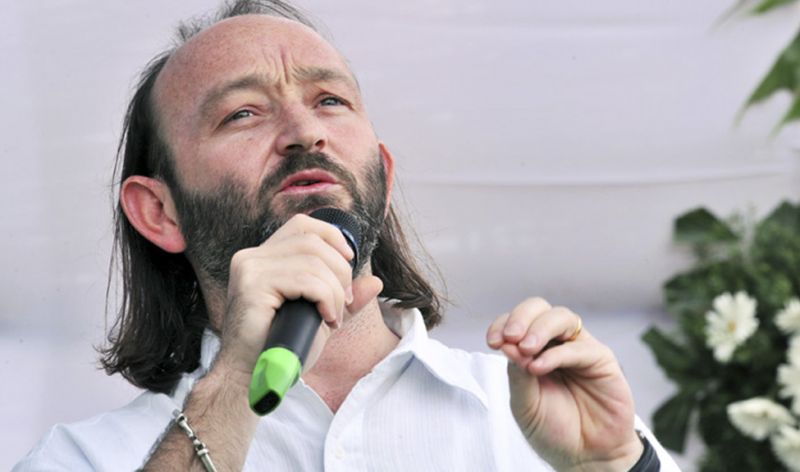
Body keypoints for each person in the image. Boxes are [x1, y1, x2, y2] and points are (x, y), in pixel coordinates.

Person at [15, 1, 679, 470]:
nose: (306, 132)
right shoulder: (83, 459)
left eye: (330, 100)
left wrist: (614, 468)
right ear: (159, 212)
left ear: (382, 179)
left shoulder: (535, 415)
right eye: (242, 113)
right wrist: (237, 379)